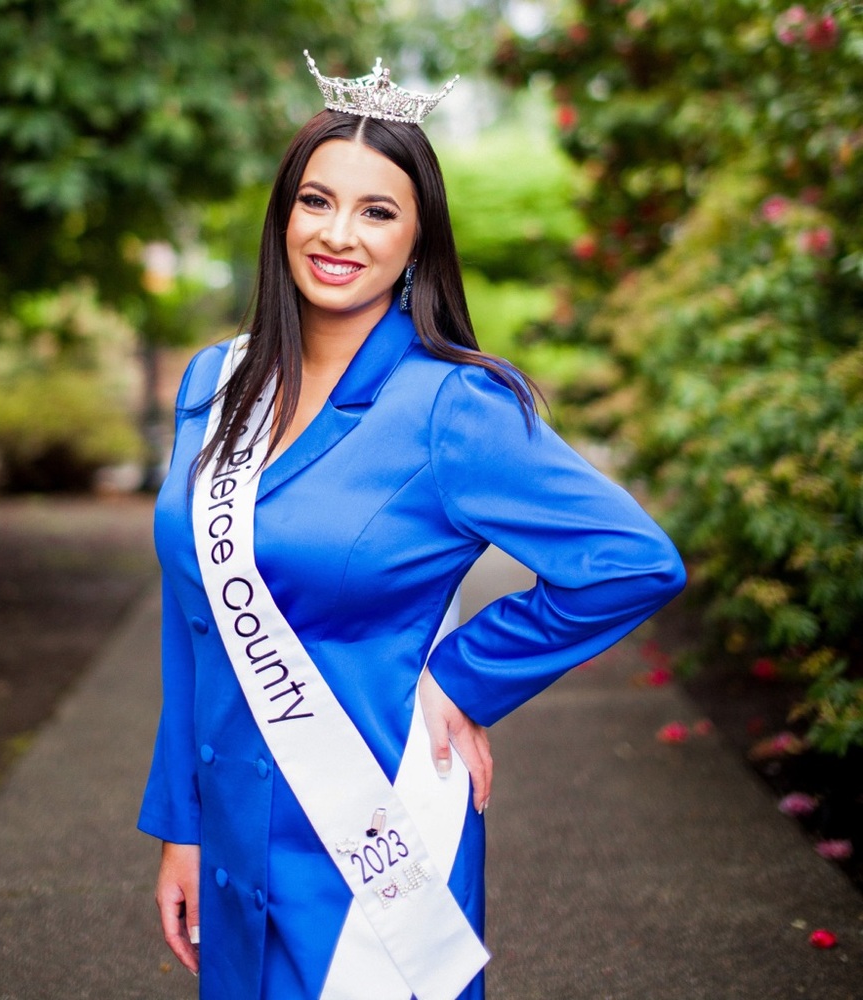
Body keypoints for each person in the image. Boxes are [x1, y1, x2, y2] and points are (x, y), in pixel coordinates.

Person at [138, 51, 686, 1000]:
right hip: (233, 823)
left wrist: (465, 679)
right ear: (283, 217)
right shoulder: (211, 386)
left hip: (378, 824)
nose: (338, 233)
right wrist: (182, 827)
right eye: (316, 201)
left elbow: (629, 562)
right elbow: (195, 623)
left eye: (377, 210)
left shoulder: (454, 405)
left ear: (418, 238)